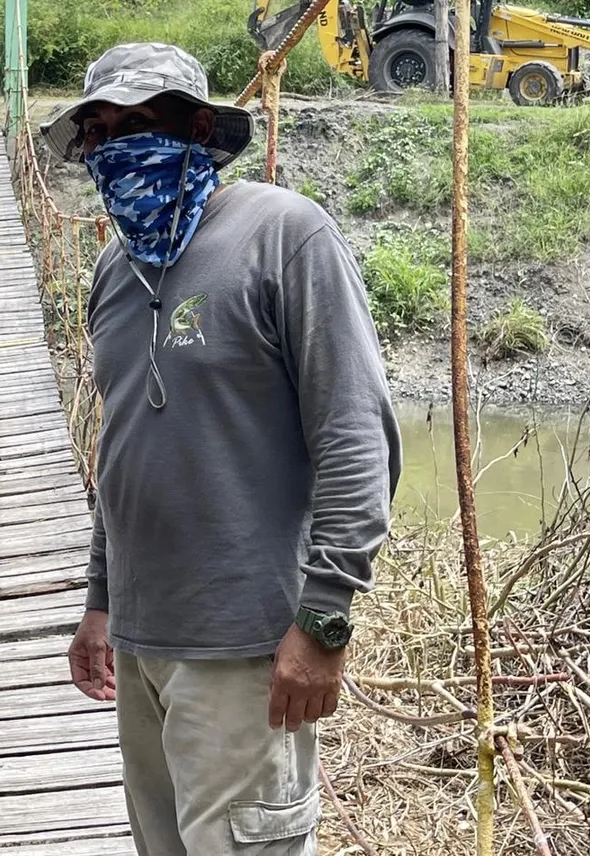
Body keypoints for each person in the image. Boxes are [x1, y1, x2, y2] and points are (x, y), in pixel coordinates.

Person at [46, 42, 401, 856]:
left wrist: (323, 622)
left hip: (248, 646)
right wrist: (102, 601)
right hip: (142, 643)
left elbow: (356, 434)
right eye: (99, 131)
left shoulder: (284, 234)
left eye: (139, 124)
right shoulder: (114, 265)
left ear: (200, 126)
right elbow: (124, 445)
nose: (113, 148)